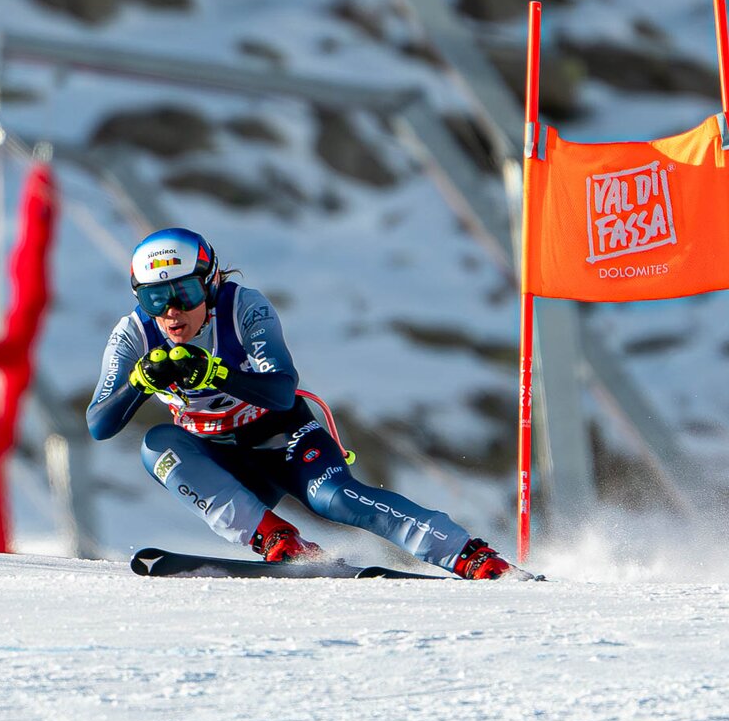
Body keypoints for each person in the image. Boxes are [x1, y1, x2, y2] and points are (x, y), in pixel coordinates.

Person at [86, 227, 519, 579]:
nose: (171, 311)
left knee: (336, 499)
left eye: (185, 293)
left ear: (210, 283)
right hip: (225, 465)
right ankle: (278, 540)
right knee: (157, 446)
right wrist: (139, 381)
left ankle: (470, 554)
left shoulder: (244, 307)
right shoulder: (133, 334)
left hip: (282, 438)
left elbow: (280, 390)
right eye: (155, 298)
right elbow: (99, 424)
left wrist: (216, 373)